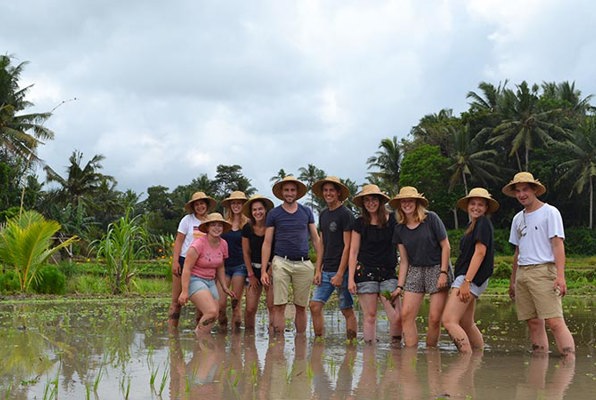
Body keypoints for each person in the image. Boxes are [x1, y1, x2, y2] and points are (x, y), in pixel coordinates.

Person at [503, 172, 575, 358]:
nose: (521, 194)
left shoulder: (550, 212)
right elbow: (517, 252)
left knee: (554, 321)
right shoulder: (518, 218)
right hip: (523, 273)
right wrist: (513, 281)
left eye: (525, 189)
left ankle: (569, 362)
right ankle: (539, 362)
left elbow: (558, 244)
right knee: (533, 322)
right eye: (518, 191)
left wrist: (560, 276)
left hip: (544, 271)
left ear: (534, 190)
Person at [260, 176, 322, 336]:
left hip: (304, 263)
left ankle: (300, 344)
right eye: (286, 190)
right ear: (281, 192)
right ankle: (278, 345)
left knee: (301, 306)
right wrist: (263, 271)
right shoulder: (274, 214)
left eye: (292, 190)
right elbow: (267, 242)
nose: (289, 193)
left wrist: (318, 268)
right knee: (279, 305)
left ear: (297, 193)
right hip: (281, 261)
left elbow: (316, 239)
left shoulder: (306, 212)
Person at [391, 186, 451, 348]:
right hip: (415, 270)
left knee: (434, 318)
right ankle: (410, 355)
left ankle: (431, 353)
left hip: (437, 267)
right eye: (403, 201)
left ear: (417, 203)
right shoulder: (399, 228)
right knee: (406, 315)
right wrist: (399, 286)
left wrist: (443, 272)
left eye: (410, 201)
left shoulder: (431, 219)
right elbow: (404, 261)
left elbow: (446, 246)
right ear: (399, 205)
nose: (407, 204)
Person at [442, 188, 499, 352]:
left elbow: (480, 252)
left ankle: (465, 358)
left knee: (449, 320)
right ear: (467, 206)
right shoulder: (472, 225)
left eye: (480, 204)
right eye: (473, 204)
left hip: (470, 278)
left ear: (486, 208)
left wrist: (466, 281)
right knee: (466, 323)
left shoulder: (482, 222)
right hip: (473, 277)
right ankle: (477, 359)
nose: (476, 207)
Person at [347, 184, 401, 344]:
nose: (371, 203)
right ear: (363, 203)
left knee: (396, 317)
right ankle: (369, 357)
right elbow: (353, 251)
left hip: (388, 273)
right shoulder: (359, 223)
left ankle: (397, 353)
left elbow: (401, 247)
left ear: (380, 201)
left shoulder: (392, 220)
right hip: (365, 273)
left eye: (374, 199)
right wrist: (350, 278)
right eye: (367, 200)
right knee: (370, 315)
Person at [309, 176, 357, 340]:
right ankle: (319, 341)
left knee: (346, 310)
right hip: (326, 269)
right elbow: (322, 243)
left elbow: (348, 246)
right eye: (325, 190)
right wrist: (318, 269)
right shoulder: (323, 215)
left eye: (331, 190)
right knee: (315, 306)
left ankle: (351, 345)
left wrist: (340, 273)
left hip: (341, 271)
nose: (328, 193)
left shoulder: (346, 214)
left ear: (338, 193)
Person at [178, 212, 236, 335]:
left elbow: (220, 266)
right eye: (213, 225)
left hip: (210, 281)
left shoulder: (223, 244)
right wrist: (184, 291)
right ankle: (198, 337)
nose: (217, 228)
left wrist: (224, 287)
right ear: (208, 228)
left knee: (215, 314)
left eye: (219, 225)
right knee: (211, 311)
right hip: (195, 279)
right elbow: (187, 268)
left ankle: (202, 342)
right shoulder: (198, 245)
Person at [168, 191, 217, 329]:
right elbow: (179, 241)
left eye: (202, 203)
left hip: (204, 264)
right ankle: (172, 335)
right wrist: (175, 261)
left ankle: (199, 339)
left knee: (202, 306)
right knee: (176, 301)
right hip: (185, 261)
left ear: (207, 205)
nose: (200, 207)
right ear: (193, 207)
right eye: (197, 204)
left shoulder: (211, 221)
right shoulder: (187, 220)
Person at [241, 194, 275, 331]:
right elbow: (246, 252)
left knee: (272, 306)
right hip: (253, 269)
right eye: (254, 210)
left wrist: (268, 272)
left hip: (271, 269)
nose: (257, 212)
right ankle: (249, 340)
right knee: (250, 309)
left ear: (265, 210)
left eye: (260, 209)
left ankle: (274, 339)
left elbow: (277, 250)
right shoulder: (247, 228)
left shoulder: (273, 227)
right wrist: (251, 275)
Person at [218, 191, 249, 332]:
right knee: (221, 304)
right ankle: (222, 333)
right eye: (233, 203)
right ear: (230, 205)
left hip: (240, 266)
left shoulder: (248, 223)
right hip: (223, 266)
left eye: (239, 203)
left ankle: (236, 343)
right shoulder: (223, 224)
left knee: (235, 303)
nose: (236, 205)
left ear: (243, 205)